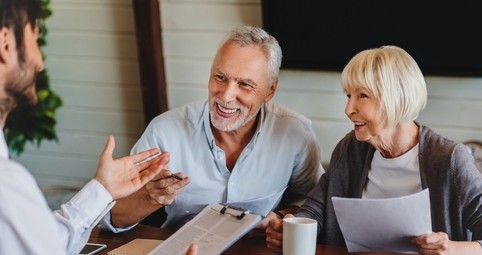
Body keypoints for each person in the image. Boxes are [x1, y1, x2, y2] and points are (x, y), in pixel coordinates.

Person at [0, 1, 219, 255]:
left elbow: (32, 251)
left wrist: (102, 191)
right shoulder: (7, 187)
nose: (40, 62)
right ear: (5, 44)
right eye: (34, 37)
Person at [266, 45, 482, 255]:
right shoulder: (350, 149)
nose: (349, 109)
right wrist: (293, 229)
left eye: (362, 96)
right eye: (348, 96)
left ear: (395, 98)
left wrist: (454, 252)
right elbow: (317, 209)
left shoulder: (449, 160)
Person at [100, 25, 323, 231]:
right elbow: (112, 218)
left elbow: (314, 203)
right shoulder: (164, 132)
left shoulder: (296, 133)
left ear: (270, 91)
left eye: (245, 84)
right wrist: (149, 197)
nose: (226, 96)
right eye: (220, 77)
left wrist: (281, 218)